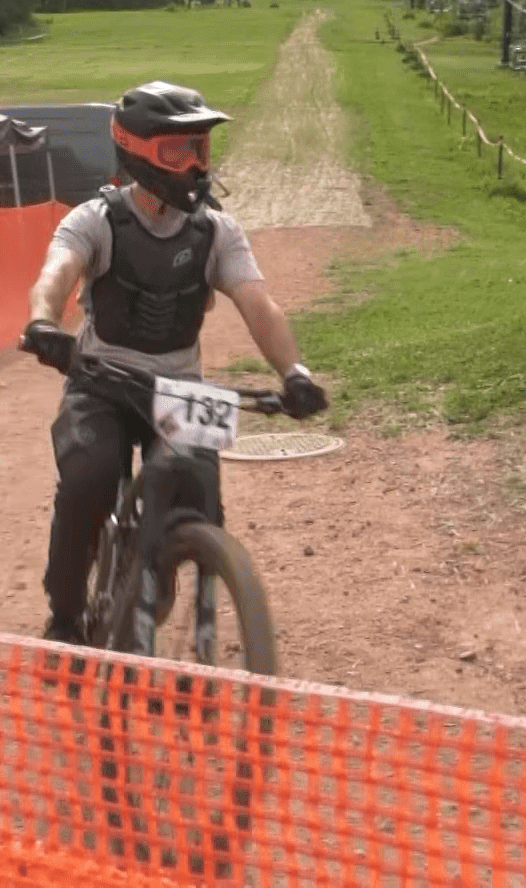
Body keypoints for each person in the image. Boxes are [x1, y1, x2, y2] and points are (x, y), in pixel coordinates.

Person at [18, 80, 327, 646]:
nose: (194, 166)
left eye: (201, 150)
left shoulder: (217, 231)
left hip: (181, 390)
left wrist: (295, 373)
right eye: (176, 152)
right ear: (136, 153)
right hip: (101, 381)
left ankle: (173, 576)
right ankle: (65, 615)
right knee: (88, 476)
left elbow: (258, 303)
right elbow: (57, 271)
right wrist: (44, 321)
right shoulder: (97, 219)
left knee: (199, 497)